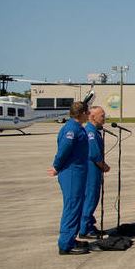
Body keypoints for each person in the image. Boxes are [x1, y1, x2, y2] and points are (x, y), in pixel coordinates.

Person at [47, 102, 91, 255]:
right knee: (72, 207)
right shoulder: (71, 129)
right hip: (72, 173)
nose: (89, 114)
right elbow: (64, 150)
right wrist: (56, 166)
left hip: (78, 172)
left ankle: (71, 238)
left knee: (77, 206)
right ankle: (66, 244)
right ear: (82, 113)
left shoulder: (77, 128)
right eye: (87, 112)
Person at [79, 106, 111, 239]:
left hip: (94, 170)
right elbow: (94, 153)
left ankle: (89, 225)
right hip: (91, 170)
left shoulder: (94, 131)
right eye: (102, 116)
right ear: (92, 117)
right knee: (91, 198)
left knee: (92, 198)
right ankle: (84, 229)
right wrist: (103, 166)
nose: (104, 118)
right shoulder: (90, 132)